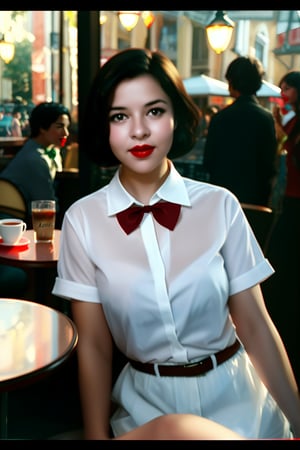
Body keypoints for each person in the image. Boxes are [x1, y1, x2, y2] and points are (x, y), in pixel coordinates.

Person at [52, 48, 300, 440]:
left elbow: (255, 325)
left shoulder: (220, 205)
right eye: (120, 116)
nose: (139, 130)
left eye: (153, 111)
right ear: (105, 127)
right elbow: (95, 348)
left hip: (239, 395)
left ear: (176, 118)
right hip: (146, 407)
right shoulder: (82, 221)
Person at [262, 70, 300, 389]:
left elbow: (292, 152)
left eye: (287, 88)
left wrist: (282, 127)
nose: (283, 92)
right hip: (290, 198)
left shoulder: (293, 121)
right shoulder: (290, 119)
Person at [203, 55, 278, 207]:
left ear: (232, 82)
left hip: (223, 197)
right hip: (255, 198)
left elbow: (209, 161)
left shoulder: (220, 118)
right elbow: (269, 164)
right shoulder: (266, 118)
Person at [0, 101, 71, 224]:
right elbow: (47, 204)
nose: (66, 133)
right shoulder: (35, 159)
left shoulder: (51, 150)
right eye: (60, 126)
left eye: (67, 127)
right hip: (12, 222)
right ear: (43, 127)